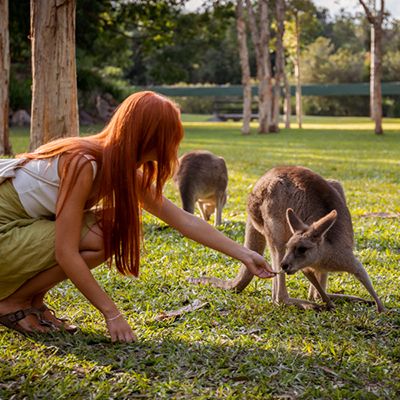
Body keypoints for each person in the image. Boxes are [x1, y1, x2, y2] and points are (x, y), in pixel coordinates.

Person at [0, 91, 275, 342]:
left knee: (111, 225)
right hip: (6, 231)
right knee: (107, 232)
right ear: (150, 136)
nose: (174, 144)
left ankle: (33, 302)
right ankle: (14, 302)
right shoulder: (84, 163)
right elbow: (65, 251)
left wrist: (245, 254)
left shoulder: (124, 169)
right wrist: (112, 314)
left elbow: (183, 219)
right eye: (171, 136)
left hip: (22, 229)